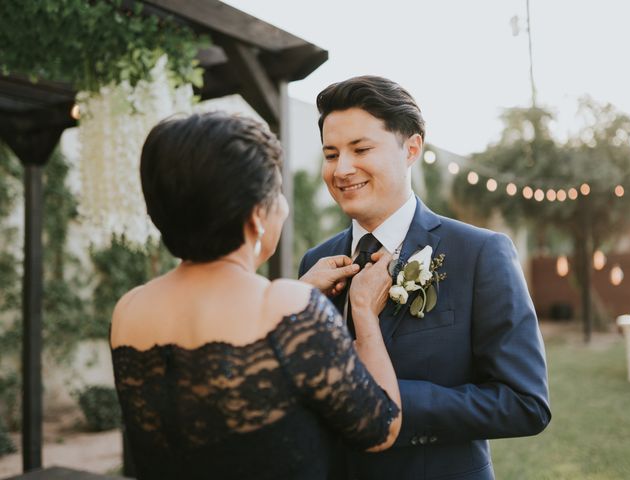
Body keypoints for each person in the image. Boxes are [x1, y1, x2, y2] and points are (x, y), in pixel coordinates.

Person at [109, 111, 402, 480]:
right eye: (276, 192)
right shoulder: (288, 307)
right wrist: (363, 310)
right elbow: (381, 427)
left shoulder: (129, 309)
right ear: (256, 216)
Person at [299, 76, 551, 480]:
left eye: (361, 149)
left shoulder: (480, 254)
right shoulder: (316, 263)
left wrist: (390, 403)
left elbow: (525, 403)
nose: (342, 169)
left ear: (411, 148)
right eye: (331, 154)